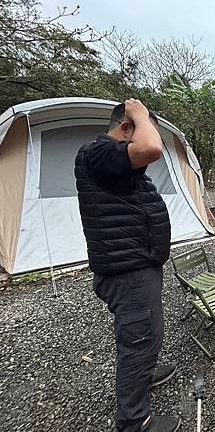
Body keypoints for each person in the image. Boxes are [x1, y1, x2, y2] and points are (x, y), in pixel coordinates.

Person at [74, 99, 179, 432]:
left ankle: (145, 374)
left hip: (136, 267)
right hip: (128, 273)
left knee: (147, 334)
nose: (151, 137)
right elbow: (150, 148)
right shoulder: (99, 152)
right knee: (138, 343)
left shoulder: (115, 163)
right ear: (125, 128)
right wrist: (140, 112)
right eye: (143, 128)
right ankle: (135, 422)